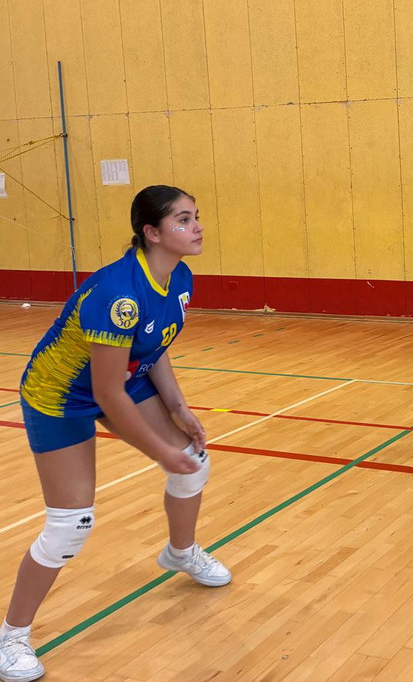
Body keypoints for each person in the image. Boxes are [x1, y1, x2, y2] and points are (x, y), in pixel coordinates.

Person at [0, 186, 230, 682]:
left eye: (196, 216)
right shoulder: (118, 295)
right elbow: (107, 394)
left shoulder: (179, 276)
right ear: (152, 232)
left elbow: (154, 346)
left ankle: (181, 552)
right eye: (183, 219)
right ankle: (11, 637)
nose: (197, 227)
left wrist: (179, 409)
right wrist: (162, 450)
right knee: (71, 524)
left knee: (195, 462)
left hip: (124, 377)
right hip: (62, 395)